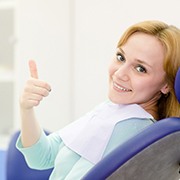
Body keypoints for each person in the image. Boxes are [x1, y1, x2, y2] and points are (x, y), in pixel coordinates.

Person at [16, 20, 180, 180]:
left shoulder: (129, 128)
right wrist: (26, 108)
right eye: (121, 57)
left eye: (140, 69)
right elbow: (42, 156)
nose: (119, 73)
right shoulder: (115, 111)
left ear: (166, 85)